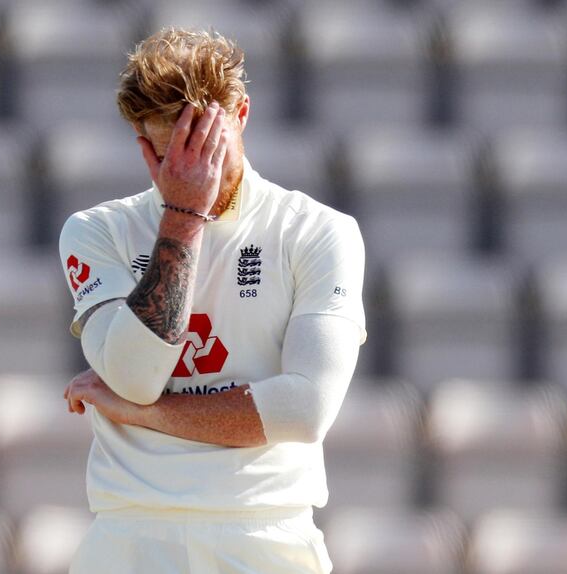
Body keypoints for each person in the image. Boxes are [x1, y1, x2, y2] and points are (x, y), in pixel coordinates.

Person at [60, 28, 366, 574]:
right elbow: (135, 373)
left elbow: (305, 409)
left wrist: (137, 414)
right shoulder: (95, 231)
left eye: (206, 146)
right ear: (142, 144)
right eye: (169, 153)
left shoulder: (319, 231)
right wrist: (183, 217)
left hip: (263, 532)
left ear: (242, 112)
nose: (192, 171)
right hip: (133, 534)